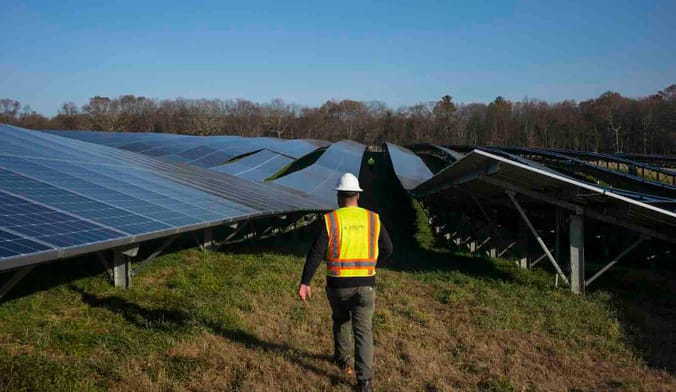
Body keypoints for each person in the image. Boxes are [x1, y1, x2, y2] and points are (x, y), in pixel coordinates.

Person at [298, 173, 393, 392]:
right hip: (366, 285)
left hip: (338, 286)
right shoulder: (373, 219)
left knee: (341, 320)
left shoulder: (331, 220)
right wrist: (372, 264)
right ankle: (365, 381)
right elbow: (388, 249)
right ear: (358, 196)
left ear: (339, 197)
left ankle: (342, 359)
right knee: (364, 332)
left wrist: (305, 282)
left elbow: (315, 253)